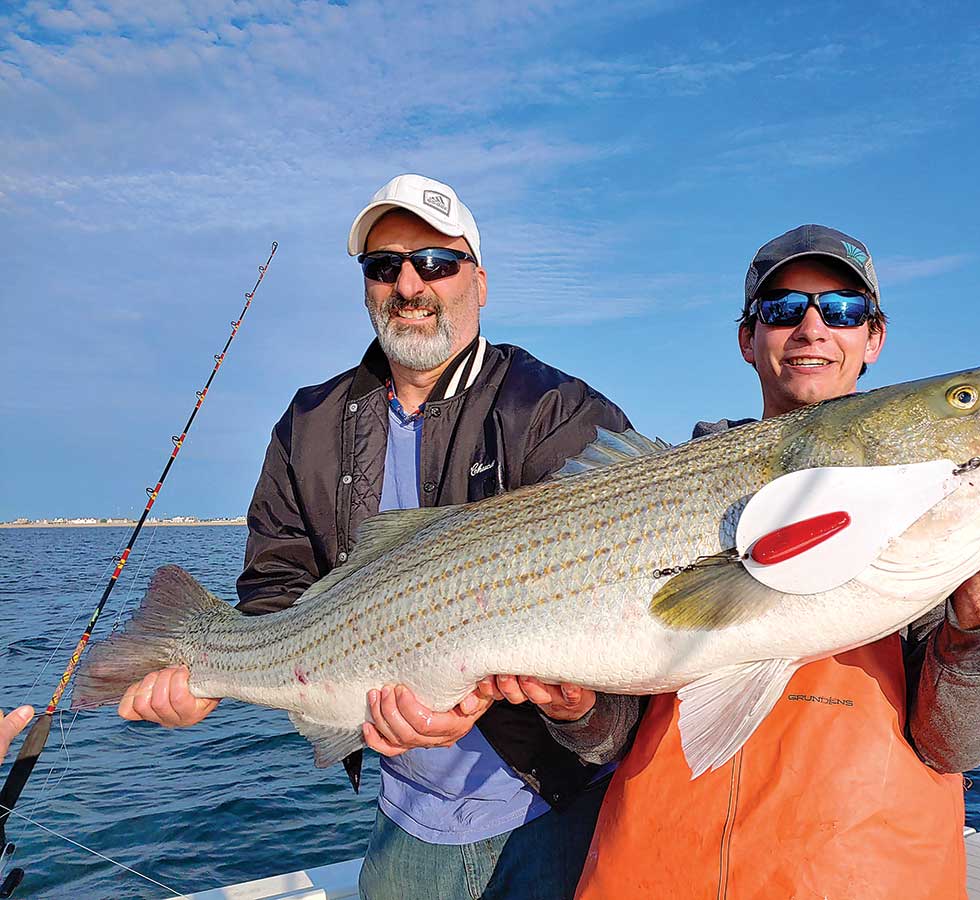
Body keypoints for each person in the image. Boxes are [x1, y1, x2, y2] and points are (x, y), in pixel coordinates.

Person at [114, 174, 641, 899]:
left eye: (436, 261)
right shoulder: (309, 423)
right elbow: (277, 588)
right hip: (406, 818)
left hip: (556, 806)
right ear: (367, 286)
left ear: (478, 281)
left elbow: (624, 606)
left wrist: (581, 711)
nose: (409, 283)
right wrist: (212, 676)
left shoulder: (556, 410)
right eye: (383, 265)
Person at [575, 225, 980, 899]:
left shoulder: (930, 511)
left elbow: (958, 746)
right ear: (748, 340)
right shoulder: (662, 487)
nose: (812, 327)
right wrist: (574, 711)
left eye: (842, 309)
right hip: (656, 876)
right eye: (781, 309)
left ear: (874, 338)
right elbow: (613, 735)